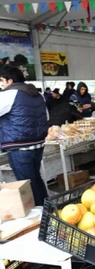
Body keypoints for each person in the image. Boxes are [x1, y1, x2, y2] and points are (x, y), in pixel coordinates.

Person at [0, 66, 49, 206]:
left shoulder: (9, 94)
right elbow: (46, 116)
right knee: (36, 179)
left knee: (27, 183)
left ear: (10, 81)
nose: (1, 84)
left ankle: (40, 216)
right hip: (38, 144)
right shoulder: (38, 94)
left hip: (20, 147)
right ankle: (48, 211)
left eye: (2, 81)